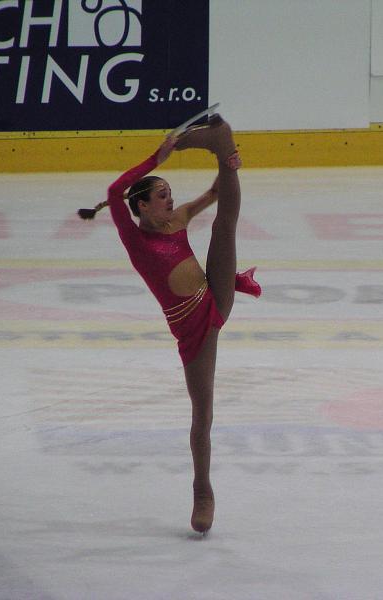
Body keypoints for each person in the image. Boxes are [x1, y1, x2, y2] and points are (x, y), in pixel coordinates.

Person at [102, 115, 260, 534]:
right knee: (202, 411)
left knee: (225, 223)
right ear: (142, 206)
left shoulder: (179, 219)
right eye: (162, 195)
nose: (171, 201)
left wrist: (229, 167)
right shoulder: (135, 240)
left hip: (215, 294)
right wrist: (157, 158)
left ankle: (222, 143)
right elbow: (114, 192)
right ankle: (202, 489)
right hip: (193, 331)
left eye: (171, 194)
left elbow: (216, 195)